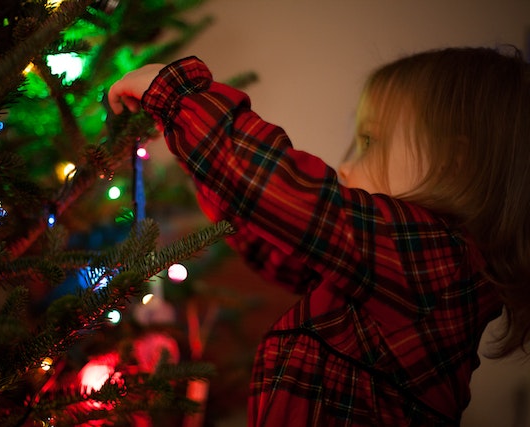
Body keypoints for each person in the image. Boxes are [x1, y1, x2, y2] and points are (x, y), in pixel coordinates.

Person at [107, 47, 530, 426]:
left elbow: (287, 196)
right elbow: (274, 242)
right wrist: (195, 151)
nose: (345, 167)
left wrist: (176, 96)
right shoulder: (383, 278)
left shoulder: (436, 264)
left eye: (369, 142)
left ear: (452, 164)